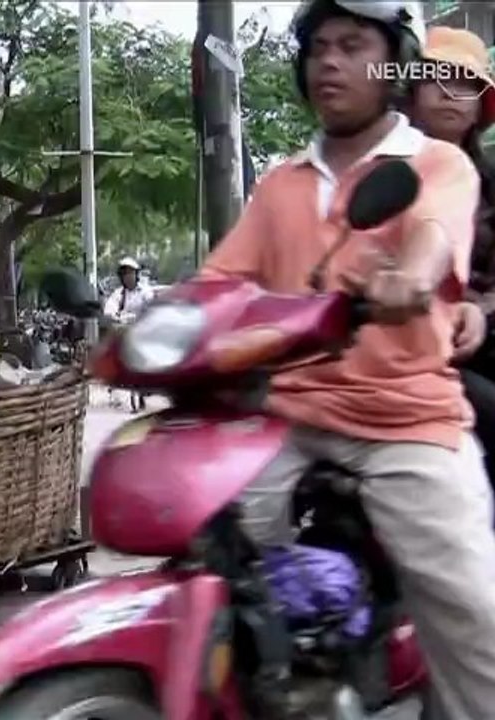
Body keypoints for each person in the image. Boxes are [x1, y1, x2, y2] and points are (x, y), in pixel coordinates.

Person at [202, 1, 495, 717]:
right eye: (319, 48)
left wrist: (411, 281)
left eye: (352, 45)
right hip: (288, 414)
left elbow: (430, 236)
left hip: (406, 418)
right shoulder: (281, 184)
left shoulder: (437, 163)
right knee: (202, 548)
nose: (329, 61)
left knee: (474, 619)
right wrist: (164, 325)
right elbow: (218, 285)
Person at [408, 26, 495, 483]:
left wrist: (477, 311)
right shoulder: (377, 172)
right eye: (436, 78)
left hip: (476, 345)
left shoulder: (491, 183)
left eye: (465, 83)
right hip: (395, 346)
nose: (450, 94)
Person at [103, 257, 153, 410]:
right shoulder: (119, 294)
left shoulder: (145, 291)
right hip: (124, 330)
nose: (128, 276)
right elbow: (109, 309)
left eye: (130, 273)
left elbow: (151, 305)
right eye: (124, 273)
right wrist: (114, 315)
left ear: (136, 274)